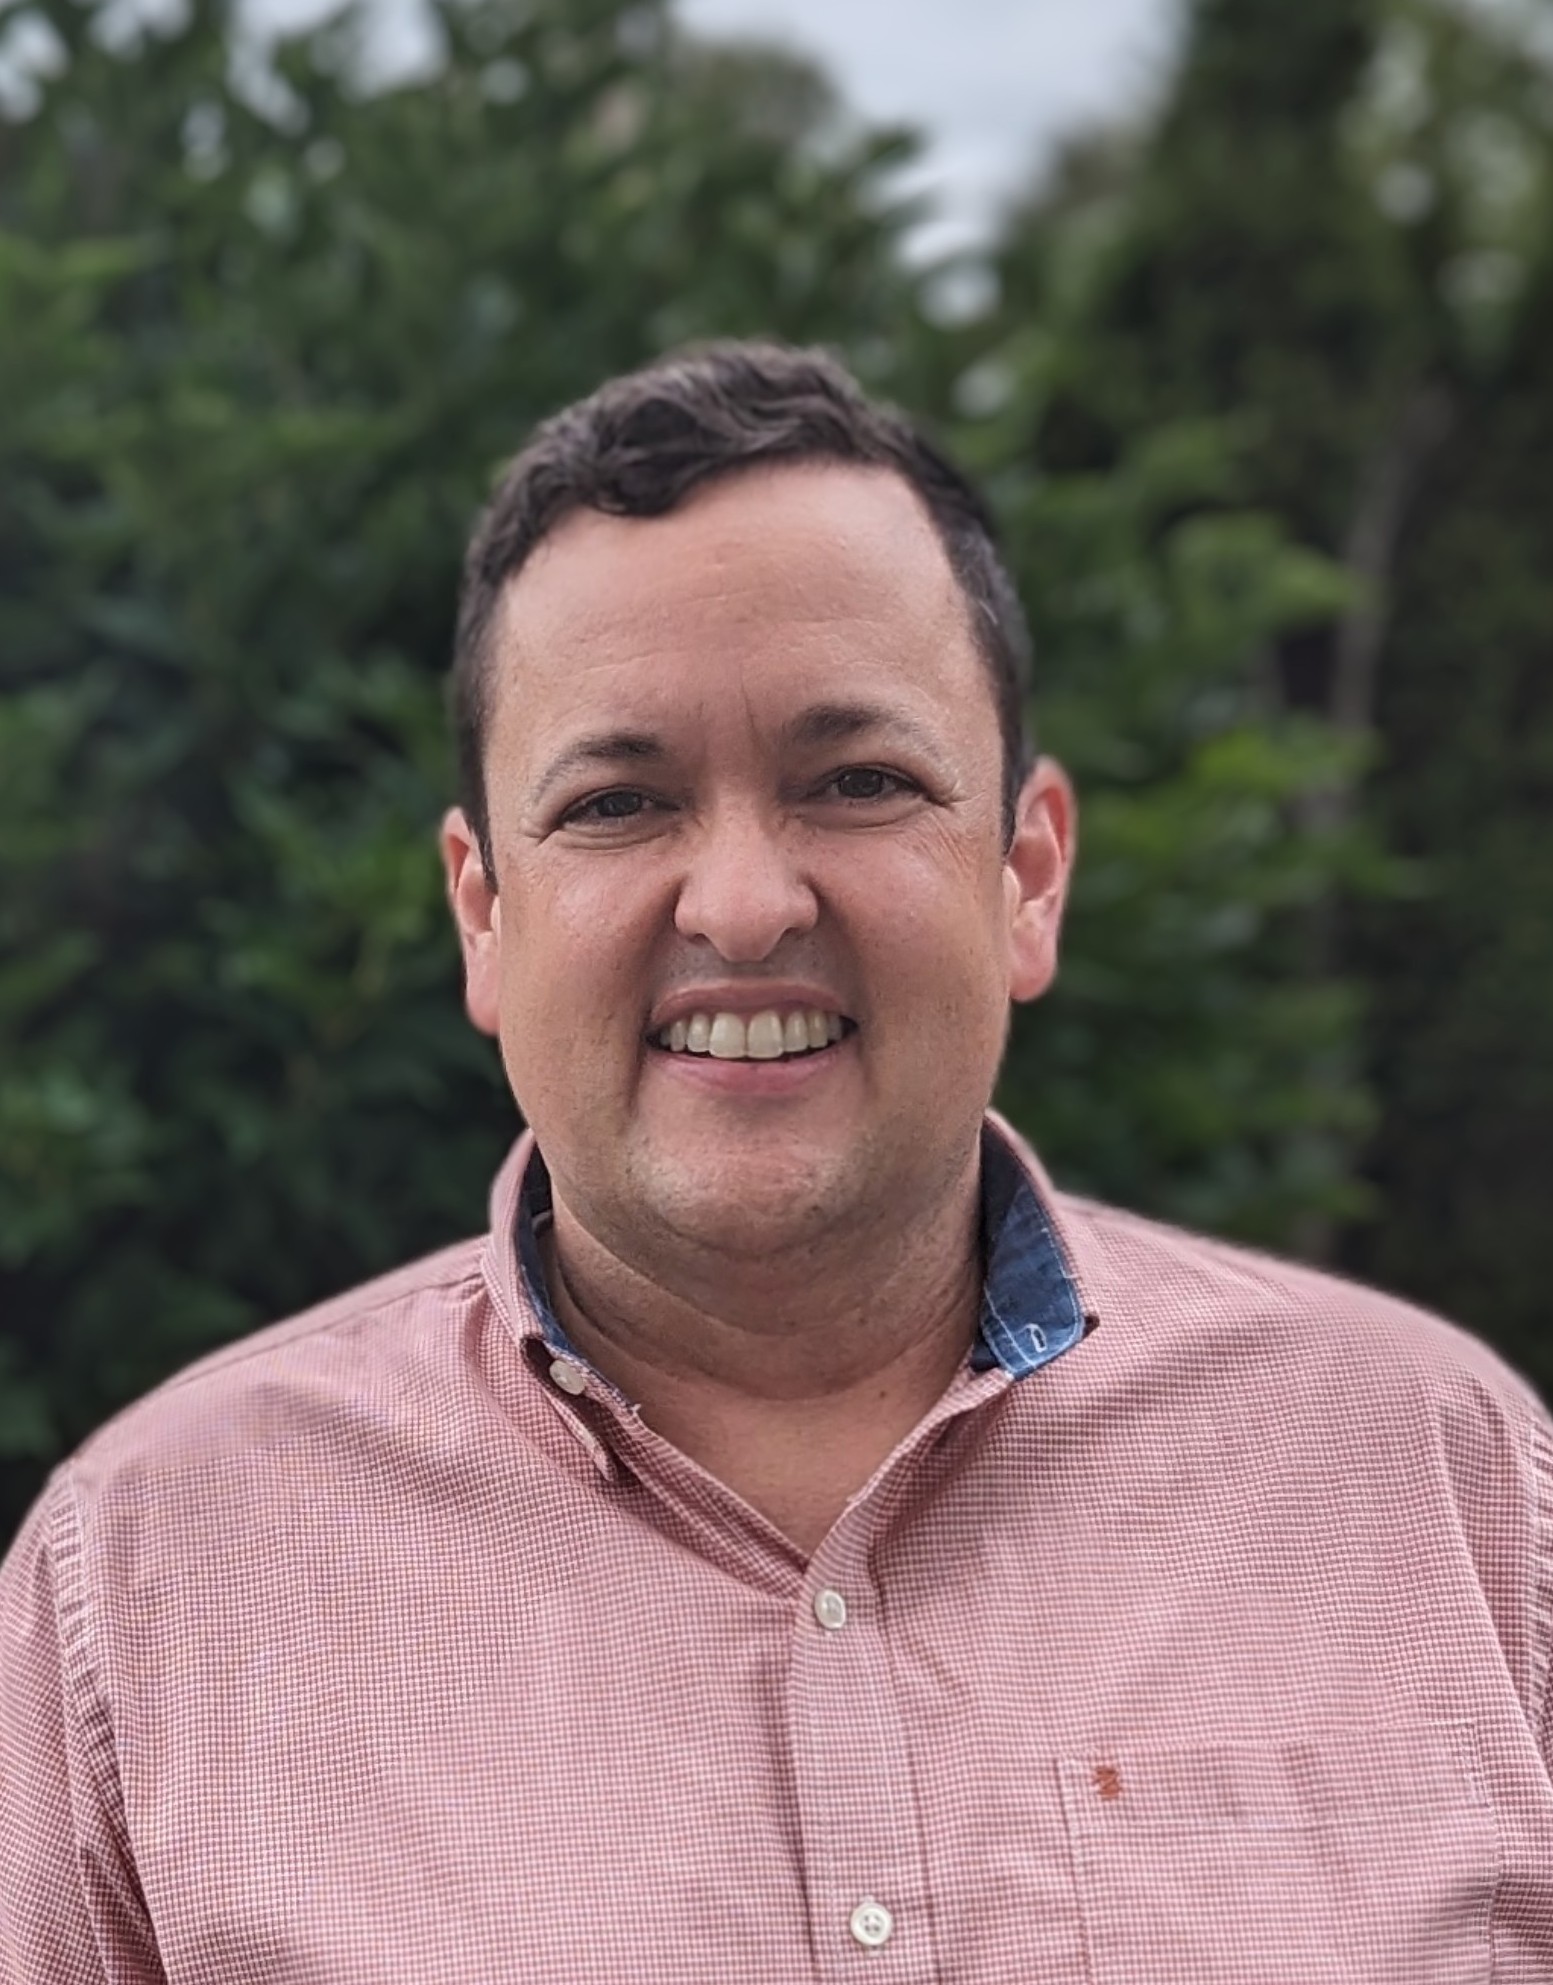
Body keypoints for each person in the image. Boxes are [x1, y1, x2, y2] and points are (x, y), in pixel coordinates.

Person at [2, 340, 1550, 1984]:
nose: (742, 904)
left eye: (856, 781)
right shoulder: (150, 1588)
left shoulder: (1445, 1496)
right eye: (616, 801)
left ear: (1025, 872)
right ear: (481, 911)